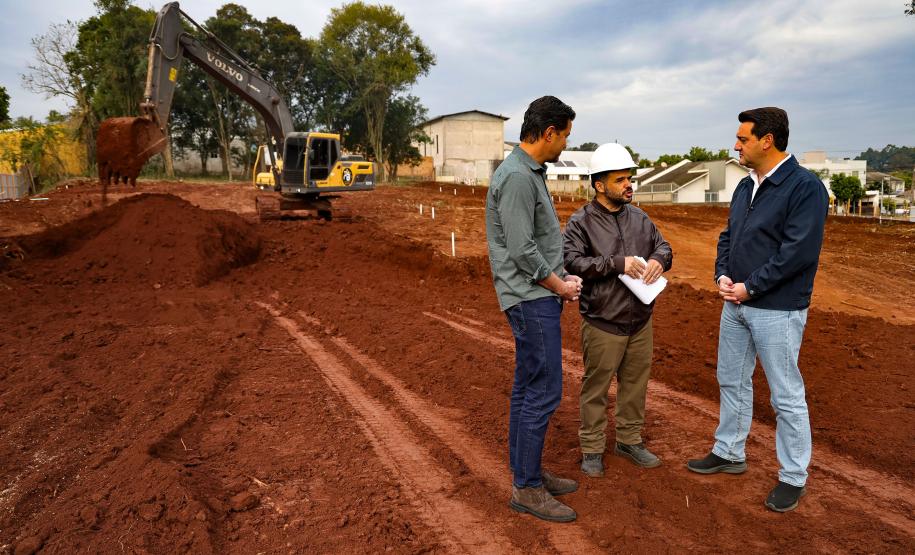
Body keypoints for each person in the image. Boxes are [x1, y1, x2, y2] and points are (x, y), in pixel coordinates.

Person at [686, 107, 829, 513]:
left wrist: (753, 287)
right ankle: (729, 451)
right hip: (737, 303)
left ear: (767, 140)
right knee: (731, 379)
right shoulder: (746, 186)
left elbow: (797, 252)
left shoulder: (804, 187)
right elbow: (729, 236)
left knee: (785, 395)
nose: (736, 144)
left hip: (777, 309)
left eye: (743, 138)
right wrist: (723, 276)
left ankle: (793, 477)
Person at [485, 95, 582, 523]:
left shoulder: (528, 173)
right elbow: (523, 250)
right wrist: (560, 285)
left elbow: (533, 243)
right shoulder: (520, 178)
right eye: (564, 135)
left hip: (535, 295)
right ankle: (526, 488)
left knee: (528, 388)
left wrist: (560, 278)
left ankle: (529, 473)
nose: (564, 144)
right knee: (543, 390)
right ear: (549, 133)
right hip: (531, 299)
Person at [562, 143, 672, 477]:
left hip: (640, 320)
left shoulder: (640, 218)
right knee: (596, 389)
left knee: (635, 385)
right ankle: (592, 449)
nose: (629, 185)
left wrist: (658, 260)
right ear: (599, 185)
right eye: (621, 179)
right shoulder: (581, 222)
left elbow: (664, 247)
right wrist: (617, 264)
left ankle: (628, 440)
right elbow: (572, 261)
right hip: (603, 321)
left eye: (629, 178)